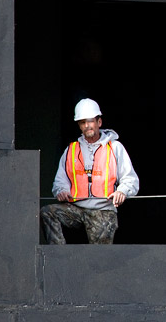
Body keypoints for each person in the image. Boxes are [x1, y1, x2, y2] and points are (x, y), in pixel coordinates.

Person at [40, 98, 139, 244]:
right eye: (82, 122)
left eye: (90, 121)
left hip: (103, 210)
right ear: (79, 126)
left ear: (99, 122)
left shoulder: (115, 147)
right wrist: (62, 190)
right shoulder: (72, 150)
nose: (87, 126)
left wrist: (122, 191)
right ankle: (58, 256)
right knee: (48, 212)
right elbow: (60, 181)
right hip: (76, 208)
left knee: (99, 256)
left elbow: (130, 179)